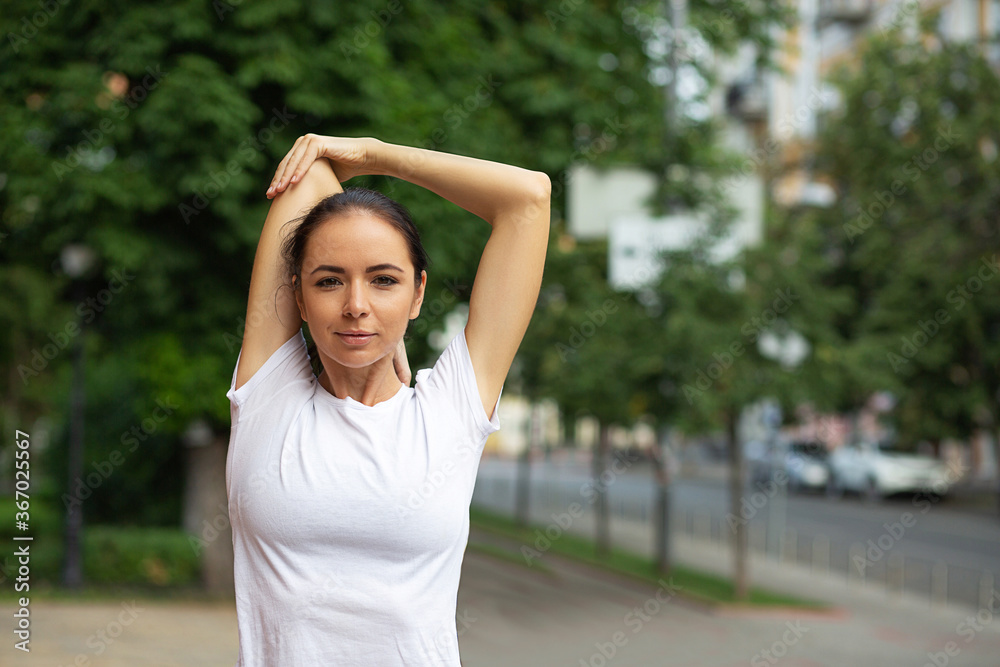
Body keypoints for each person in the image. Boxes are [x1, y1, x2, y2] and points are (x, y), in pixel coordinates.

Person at [225, 134, 550, 666]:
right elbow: (308, 175)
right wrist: (385, 327)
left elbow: (528, 198)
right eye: (330, 281)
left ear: (417, 293)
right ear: (298, 298)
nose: (356, 305)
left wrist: (377, 156)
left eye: (384, 281)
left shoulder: (449, 411)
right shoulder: (269, 397)